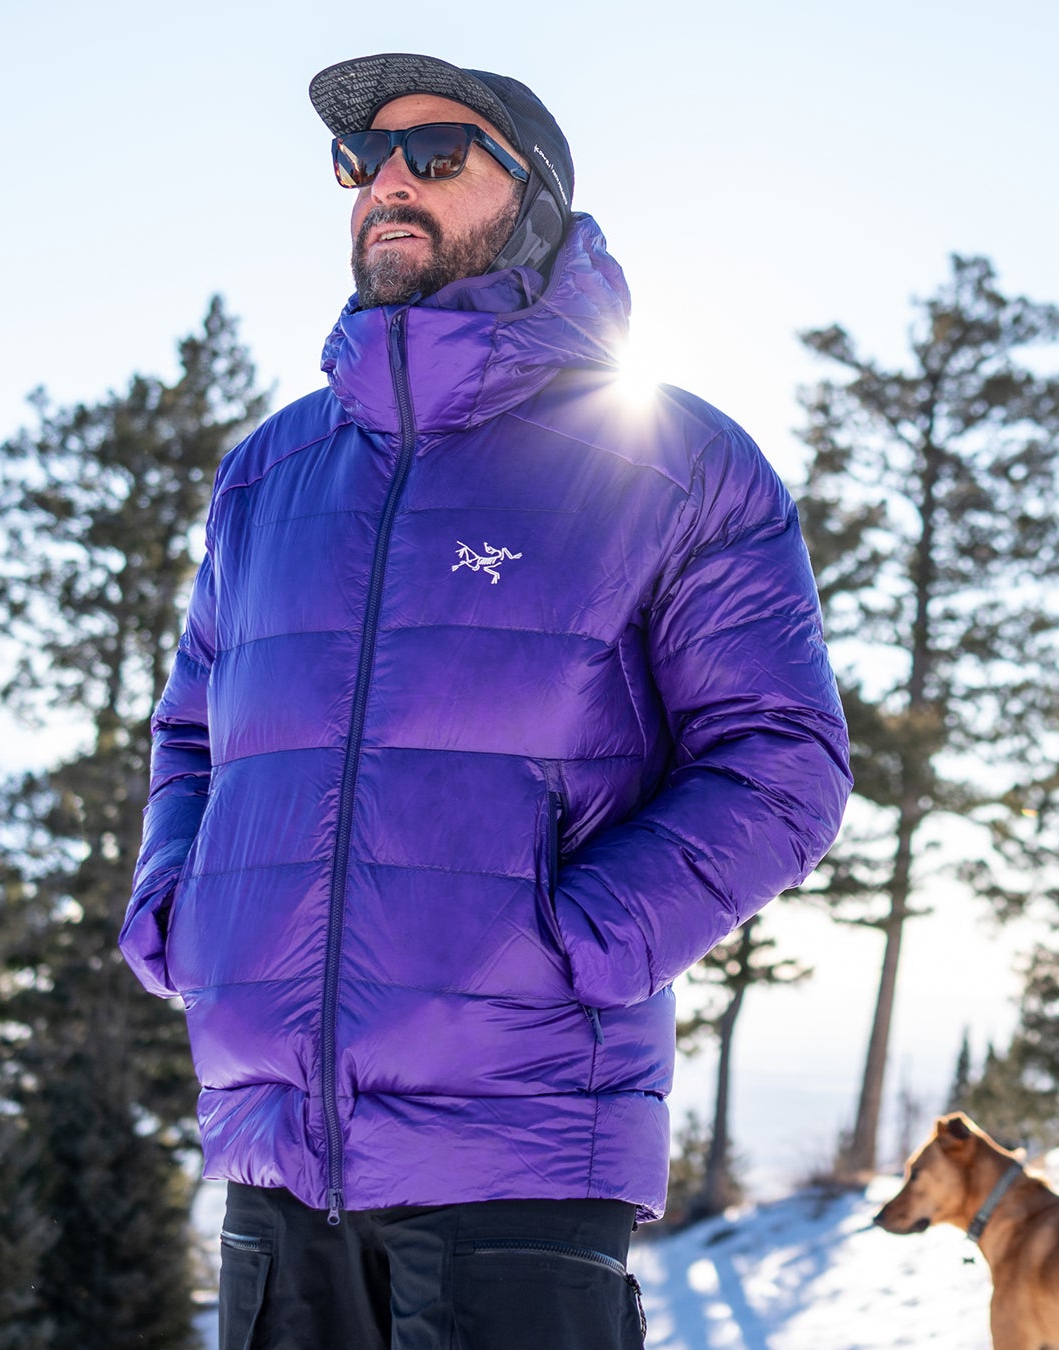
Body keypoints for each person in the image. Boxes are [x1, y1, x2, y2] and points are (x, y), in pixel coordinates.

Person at [116, 52, 852, 1349]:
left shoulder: (674, 462)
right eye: (360, 159)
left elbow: (783, 761)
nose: (386, 181)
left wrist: (573, 946)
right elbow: (193, 732)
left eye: (437, 152)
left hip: (521, 1153)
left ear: (538, 200)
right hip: (275, 1152)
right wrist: (181, 909)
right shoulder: (270, 475)